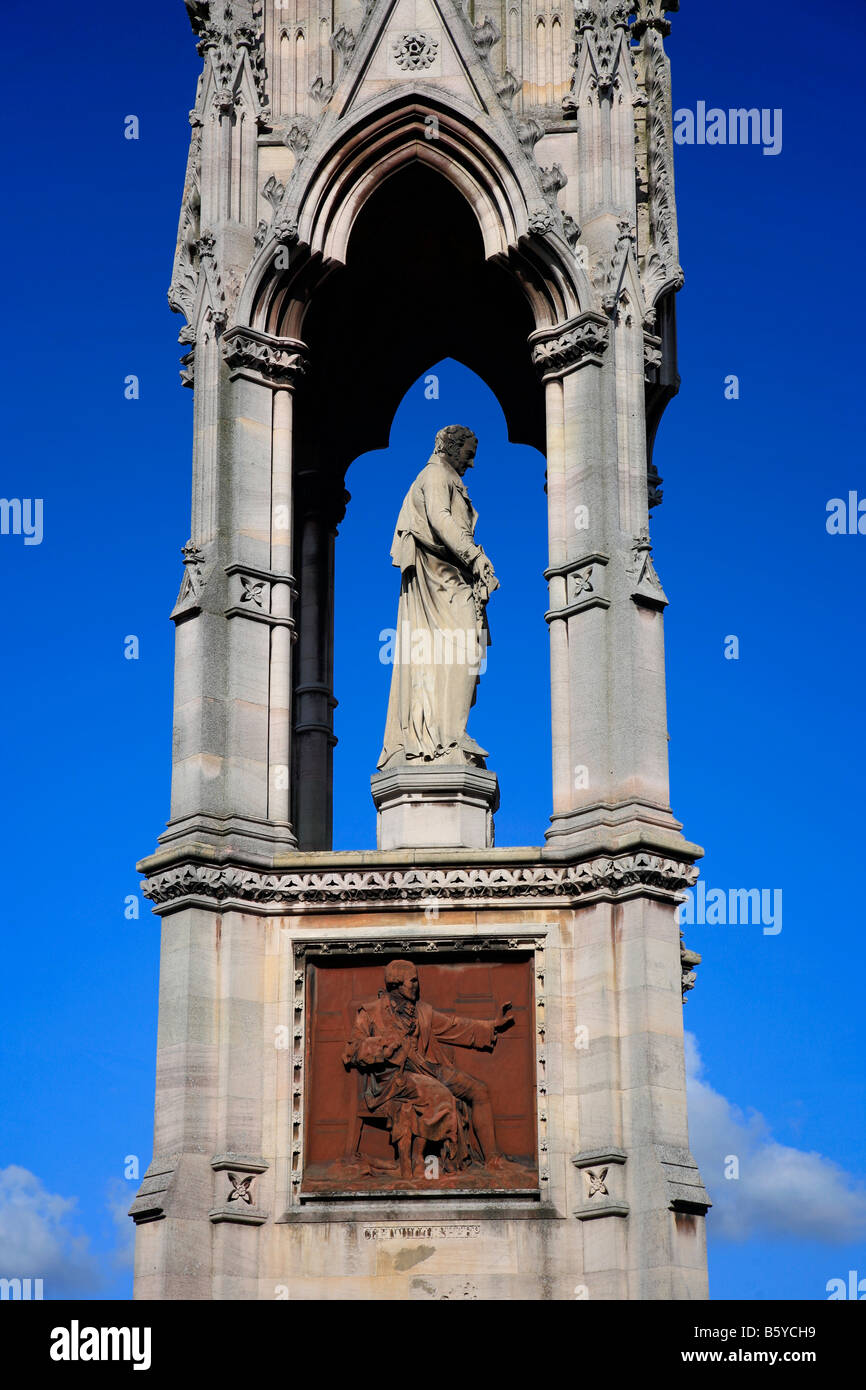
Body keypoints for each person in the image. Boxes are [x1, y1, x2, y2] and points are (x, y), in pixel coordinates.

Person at [377, 425, 498, 770]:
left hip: (452, 576)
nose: (471, 464)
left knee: (461, 649)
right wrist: (473, 555)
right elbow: (439, 518)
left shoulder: (445, 477)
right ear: (451, 447)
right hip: (439, 577)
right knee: (461, 647)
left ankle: (447, 732)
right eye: (469, 454)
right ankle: (444, 736)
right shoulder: (434, 475)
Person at [342, 959, 514, 1178]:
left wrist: (492, 1025)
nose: (416, 985)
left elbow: (454, 1025)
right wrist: (382, 1046)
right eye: (412, 981)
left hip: (427, 1068)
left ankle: (493, 1160)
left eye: (417, 980)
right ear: (396, 983)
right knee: (438, 1093)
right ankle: (421, 1161)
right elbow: (352, 1051)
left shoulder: (422, 1011)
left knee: (479, 1090)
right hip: (393, 1079)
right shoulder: (371, 1012)